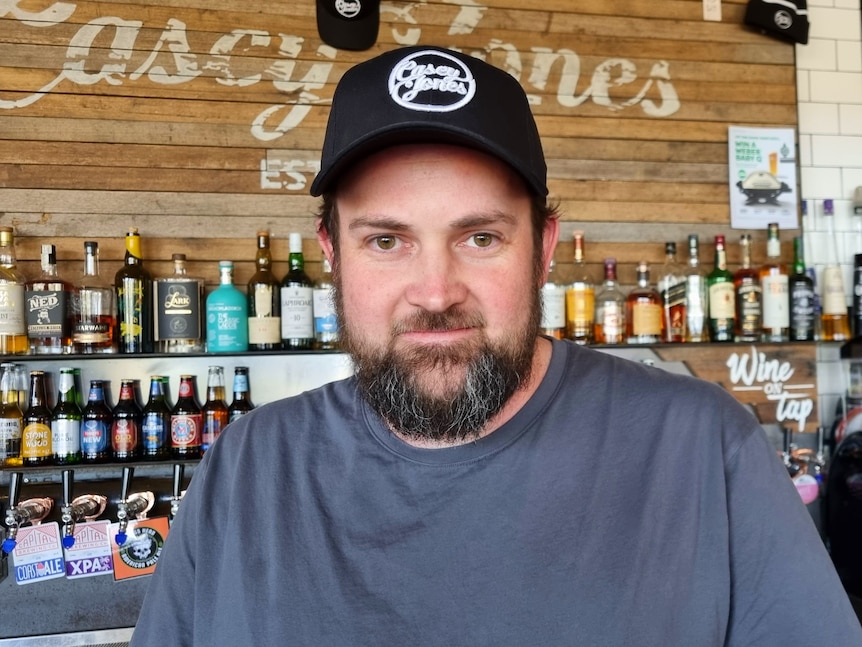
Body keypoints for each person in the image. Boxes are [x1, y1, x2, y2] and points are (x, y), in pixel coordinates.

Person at [130, 46, 862, 646]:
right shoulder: (245, 470)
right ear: (333, 253)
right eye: (387, 240)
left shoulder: (704, 449)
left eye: (480, 237)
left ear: (543, 249)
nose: (436, 289)